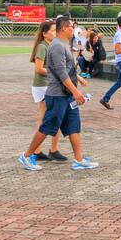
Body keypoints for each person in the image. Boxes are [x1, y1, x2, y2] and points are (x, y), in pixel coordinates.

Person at [18, 15, 97, 171]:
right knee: (48, 126)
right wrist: (76, 92)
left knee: (74, 126)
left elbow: (68, 69)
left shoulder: (63, 45)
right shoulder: (57, 46)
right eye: (71, 27)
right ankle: (26, 155)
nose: (74, 29)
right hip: (57, 95)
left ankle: (79, 159)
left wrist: (78, 79)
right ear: (64, 28)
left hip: (66, 95)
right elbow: (61, 73)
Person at [29, 20, 66, 162]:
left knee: (54, 116)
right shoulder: (42, 47)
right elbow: (38, 69)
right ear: (44, 34)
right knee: (46, 117)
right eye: (51, 31)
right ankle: (39, 150)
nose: (54, 33)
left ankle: (52, 149)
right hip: (42, 86)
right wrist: (56, 73)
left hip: (49, 85)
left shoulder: (51, 45)